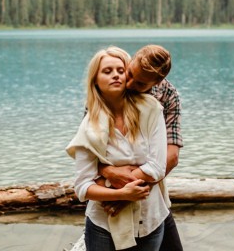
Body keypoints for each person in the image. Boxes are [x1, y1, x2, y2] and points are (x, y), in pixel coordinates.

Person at [67, 46, 171, 250]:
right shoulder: (89, 126)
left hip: (150, 218)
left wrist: (112, 180)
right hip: (104, 223)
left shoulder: (151, 109)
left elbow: (158, 167)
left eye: (120, 70)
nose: (116, 75)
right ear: (95, 80)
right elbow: (82, 187)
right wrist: (122, 194)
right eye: (107, 71)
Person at [99, 45, 183, 251]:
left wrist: (128, 195)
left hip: (151, 193)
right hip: (108, 191)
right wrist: (106, 171)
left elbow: (170, 158)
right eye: (130, 73)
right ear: (132, 60)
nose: (129, 83)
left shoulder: (167, 96)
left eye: (140, 83)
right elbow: (88, 148)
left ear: (157, 83)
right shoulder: (107, 88)